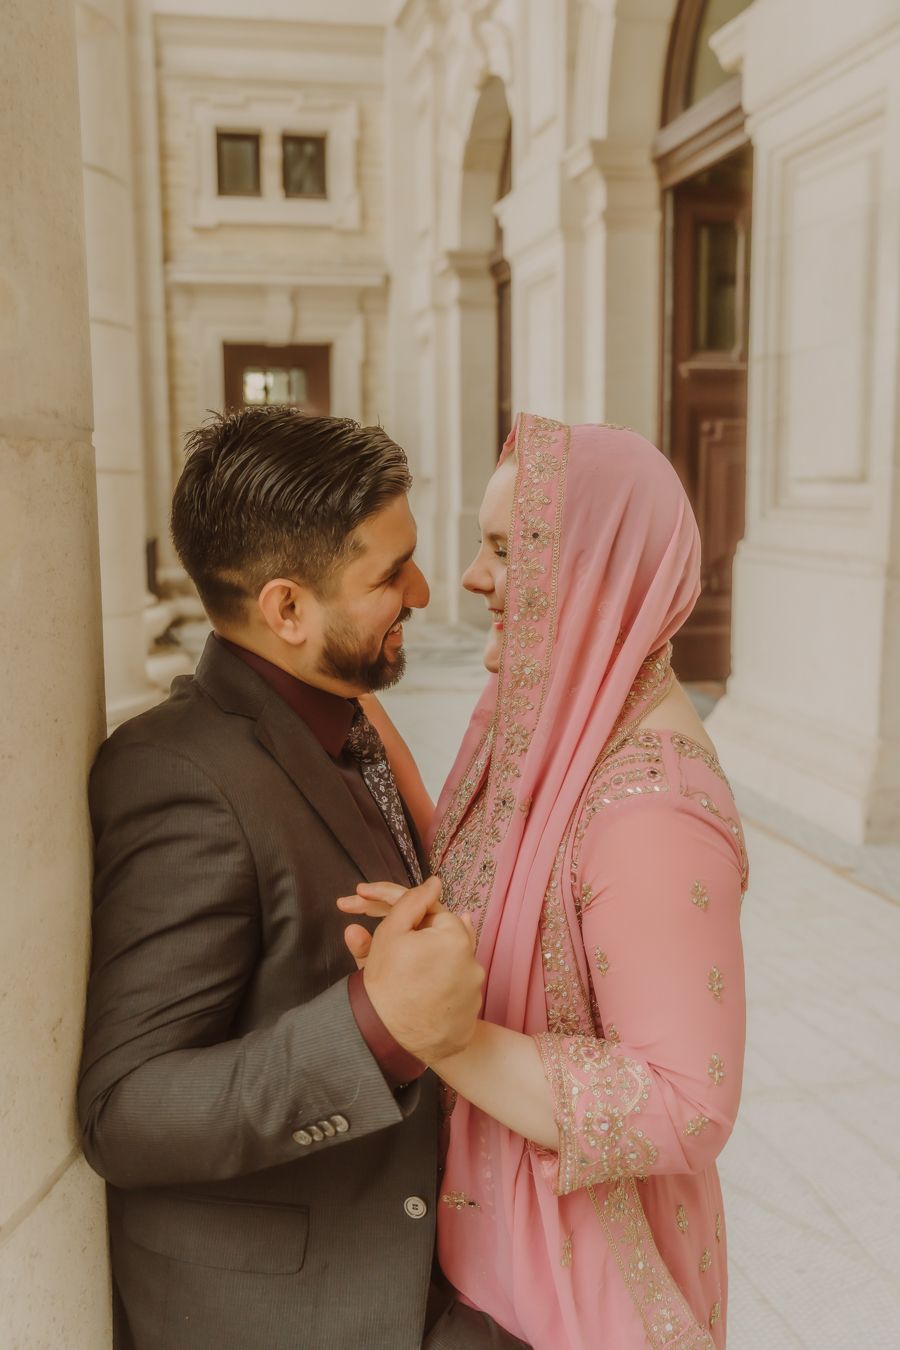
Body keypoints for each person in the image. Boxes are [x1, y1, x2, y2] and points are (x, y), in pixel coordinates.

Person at [77, 407, 528, 1350]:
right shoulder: (180, 776)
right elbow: (126, 1112)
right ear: (287, 610)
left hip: (433, 1278)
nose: (423, 586)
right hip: (299, 1312)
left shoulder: (346, 717)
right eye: (387, 574)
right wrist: (376, 1031)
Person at [340, 413, 748, 1350]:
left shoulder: (649, 804)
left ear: (597, 568)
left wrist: (440, 1034)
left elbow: (688, 1099)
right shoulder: (559, 719)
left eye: (506, 549)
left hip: (588, 1293)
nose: (474, 579)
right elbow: (499, 873)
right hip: (500, 1259)